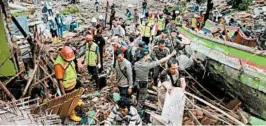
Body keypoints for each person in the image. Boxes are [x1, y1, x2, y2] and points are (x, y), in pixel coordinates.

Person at [134, 48, 176, 117]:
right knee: (142, 99)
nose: (148, 57)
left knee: (138, 96)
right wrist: (170, 55)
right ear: (144, 56)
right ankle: (137, 114)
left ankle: (136, 106)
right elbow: (161, 61)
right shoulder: (146, 65)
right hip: (143, 85)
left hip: (136, 84)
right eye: (147, 55)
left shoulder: (136, 63)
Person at [54, 46, 84, 122]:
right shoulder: (59, 65)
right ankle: (72, 115)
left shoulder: (68, 56)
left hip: (73, 83)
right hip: (67, 87)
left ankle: (77, 102)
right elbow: (59, 81)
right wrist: (63, 94)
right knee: (70, 102)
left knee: (75, 96)